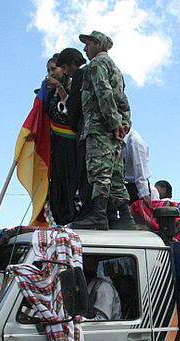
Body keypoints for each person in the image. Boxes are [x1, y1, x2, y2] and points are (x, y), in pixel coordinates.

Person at [79, 31, 133, 230]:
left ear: (98, 44)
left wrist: (113, 123)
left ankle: (99, 215)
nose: (85, 49)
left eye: (88, 44)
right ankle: (126, 218)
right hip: (114, 132)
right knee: (116, 175)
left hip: (100, 127)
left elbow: (104, 93)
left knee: (100, 171)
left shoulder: (96, 65)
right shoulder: (116, 69)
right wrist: (124, 123)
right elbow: (123, 101)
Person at [56, 47, 94, 228]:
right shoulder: (96, 70)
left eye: (65, 68)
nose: (66, 73)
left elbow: (74, 107)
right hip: (97, 133)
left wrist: (66, 95)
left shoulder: (81, 74)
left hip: (86, 132)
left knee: (85, 175)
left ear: (71, 64)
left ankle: (88, 213)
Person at [44, 54, 80, 225]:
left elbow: (72, 110)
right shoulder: (49, 93)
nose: (51, 74)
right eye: (48, 71)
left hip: (72, 145)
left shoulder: (75, 86)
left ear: (63, 69)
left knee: (71, 186)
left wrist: (59, 87)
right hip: (55, 147)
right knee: (56, 189)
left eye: (53, 69)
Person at [123, 129, 153, 209]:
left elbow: (139, 167)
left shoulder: (135, 141)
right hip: (123, 185)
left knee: (139, 218)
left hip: (136, 187)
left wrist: (144, 193)